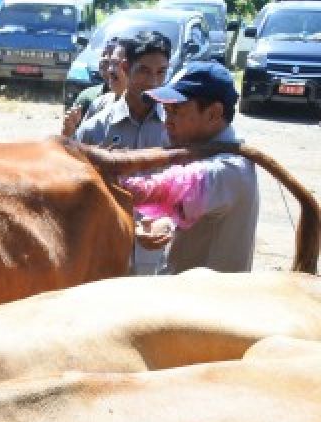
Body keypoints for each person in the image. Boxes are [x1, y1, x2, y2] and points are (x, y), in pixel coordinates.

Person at [132, 62, 257, 274]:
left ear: (213, 114)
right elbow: (184, 204)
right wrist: (164, 219)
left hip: (212, 302)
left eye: (176, 110)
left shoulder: (232, 168)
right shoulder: (197, 151)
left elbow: (165, 188)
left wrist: (106, 181)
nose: (167, 122)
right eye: (166, 111)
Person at [76, 31, 171, 274]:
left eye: (161, 72)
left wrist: (166, 223)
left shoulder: (175, 129)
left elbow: (187, 192)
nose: (153, 82)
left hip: (158, 258)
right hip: (104, 255)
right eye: (144, 71)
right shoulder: (94, 130)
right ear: (126, 68)